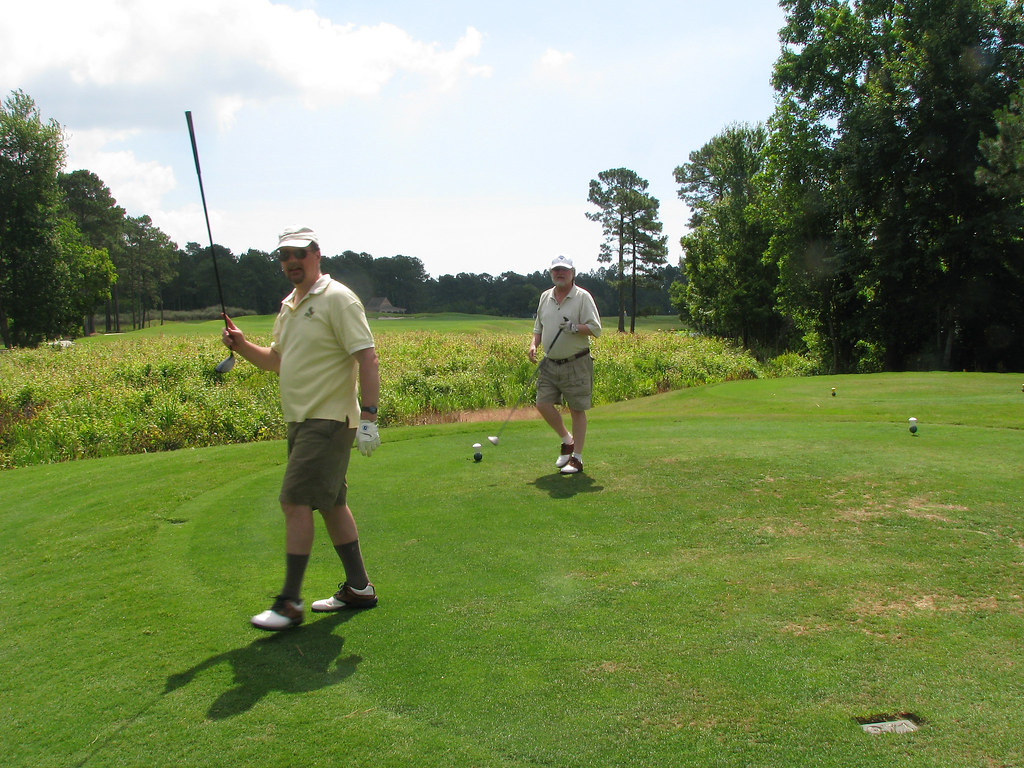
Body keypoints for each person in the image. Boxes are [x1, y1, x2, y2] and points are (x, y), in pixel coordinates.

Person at [221, 225, 381, 631]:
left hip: (327, 420)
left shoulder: (338, 299)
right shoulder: (289, 305)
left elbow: (368, 358)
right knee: (330, 504)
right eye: (283, 256)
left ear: (316, 253)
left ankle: (289, 603)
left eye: (298, 253)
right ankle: (359, 588)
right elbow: (276, 361)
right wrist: (241, 345)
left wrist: (369, 418)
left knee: (294, 503)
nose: (291, 262)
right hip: (301, 419)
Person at [529, 254, 602, 474]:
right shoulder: (545, 297)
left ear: (572, 273)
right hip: (549, 363)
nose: (559, 274)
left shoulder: (582, 297)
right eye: (555, 270)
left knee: (577, 409)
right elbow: (538, 328)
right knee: (542, 403)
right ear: (551, 273)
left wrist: (574, 328)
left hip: (576, 361)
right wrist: (533, 345)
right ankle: (566, 439)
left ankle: (577, 459)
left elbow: (596, 329)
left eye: (564, 270)